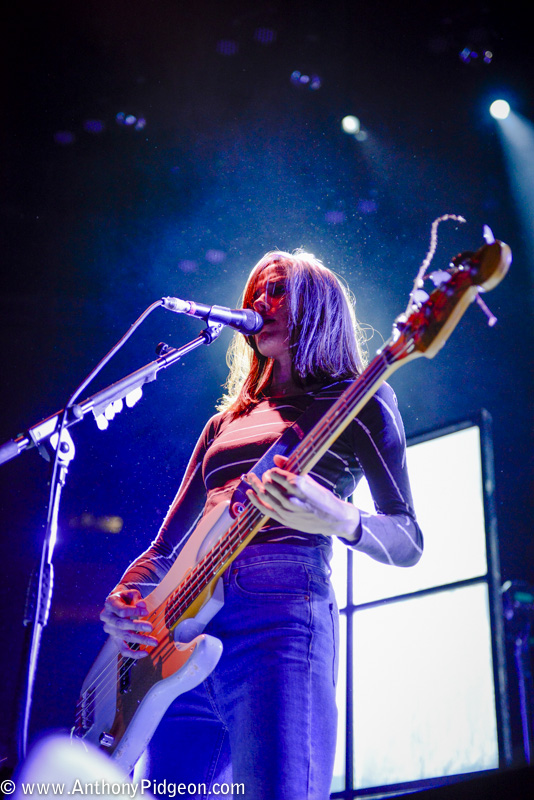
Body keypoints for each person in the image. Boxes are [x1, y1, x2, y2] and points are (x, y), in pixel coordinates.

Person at [100, 250, 423, 800]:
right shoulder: (222, 424)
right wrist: (126, 600)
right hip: (179, 638)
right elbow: (163, 549)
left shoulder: (360, 399)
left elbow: (409, 540)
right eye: (254, 293)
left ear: (318, 306)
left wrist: (342, 518)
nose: (258, 303)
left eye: (276, 291)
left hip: (281, 621)